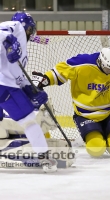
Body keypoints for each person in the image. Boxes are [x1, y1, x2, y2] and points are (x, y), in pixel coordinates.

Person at [0, 11, 57, 172]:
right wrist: (9, 39)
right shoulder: (16, 27)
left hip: (6, 86)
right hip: (4, 86)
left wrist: (32, 91)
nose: (31, 33)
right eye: (30, 29)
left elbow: (18, 76)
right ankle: (45, 158)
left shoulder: (24, 51)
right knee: (29, 121)